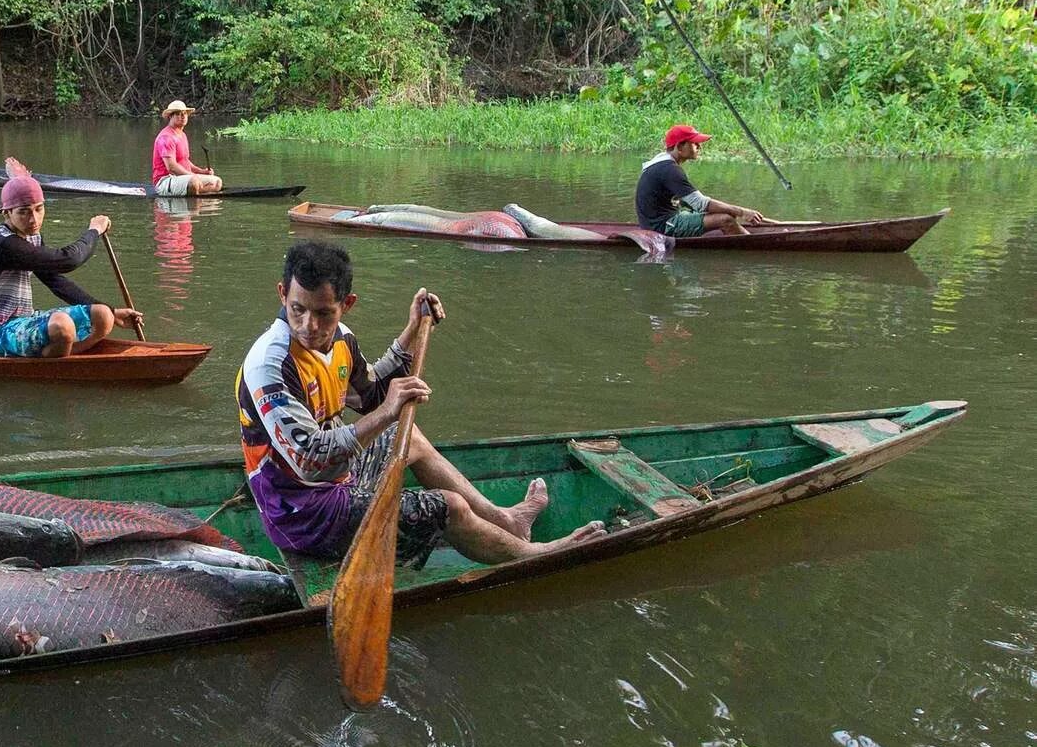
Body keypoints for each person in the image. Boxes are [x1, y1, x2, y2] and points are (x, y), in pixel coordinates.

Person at [235, 240, 605, 565]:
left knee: (406, 435)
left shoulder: (341, 340)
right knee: (450, 507)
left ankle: (506, 521)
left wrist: (412, 331)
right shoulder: (272, 364)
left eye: (323, 313)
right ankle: (534, 555)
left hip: (337, 480)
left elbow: (370, 393)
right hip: (302, 512)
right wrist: (386, 411)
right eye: (298, 309)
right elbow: (310, 461)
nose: (309, 326)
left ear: (346, 305)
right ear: (283, 294)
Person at [0, 171, 143, 357]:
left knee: (103, 315)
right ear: (7, 214)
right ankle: (58, 361)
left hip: (25, 320)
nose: (34, 219)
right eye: (23, 212)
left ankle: (63, 354)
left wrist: (113, 311)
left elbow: (54, 280)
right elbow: (69, 260)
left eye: (38, 209)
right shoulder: (3, 244)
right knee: (62, 326)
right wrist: (94, 231)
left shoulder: (31, 237)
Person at [636, 124, 766, 237]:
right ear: (679, 147)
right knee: (725, 219)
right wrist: (743, 212)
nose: (699, 147)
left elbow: (691, 202)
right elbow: (701, 203)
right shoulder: (669, 169)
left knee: (720, 211)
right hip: (661, 227)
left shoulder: (662, 163)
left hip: (661, 220)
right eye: (694, 143)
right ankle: (752, 245)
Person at [152, 100, 223, 196]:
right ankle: (194, 197)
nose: (183, 116)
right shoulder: (166, 137)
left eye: (184, 113)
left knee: (217, 182)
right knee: (193, 182)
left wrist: (202, 171)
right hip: (165, 180)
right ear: (170, 117)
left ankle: (195, 195)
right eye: (178, 114)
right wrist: (192, 176)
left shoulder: (182, 135)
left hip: (184, 178)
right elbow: (171, 167)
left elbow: (184, 160)